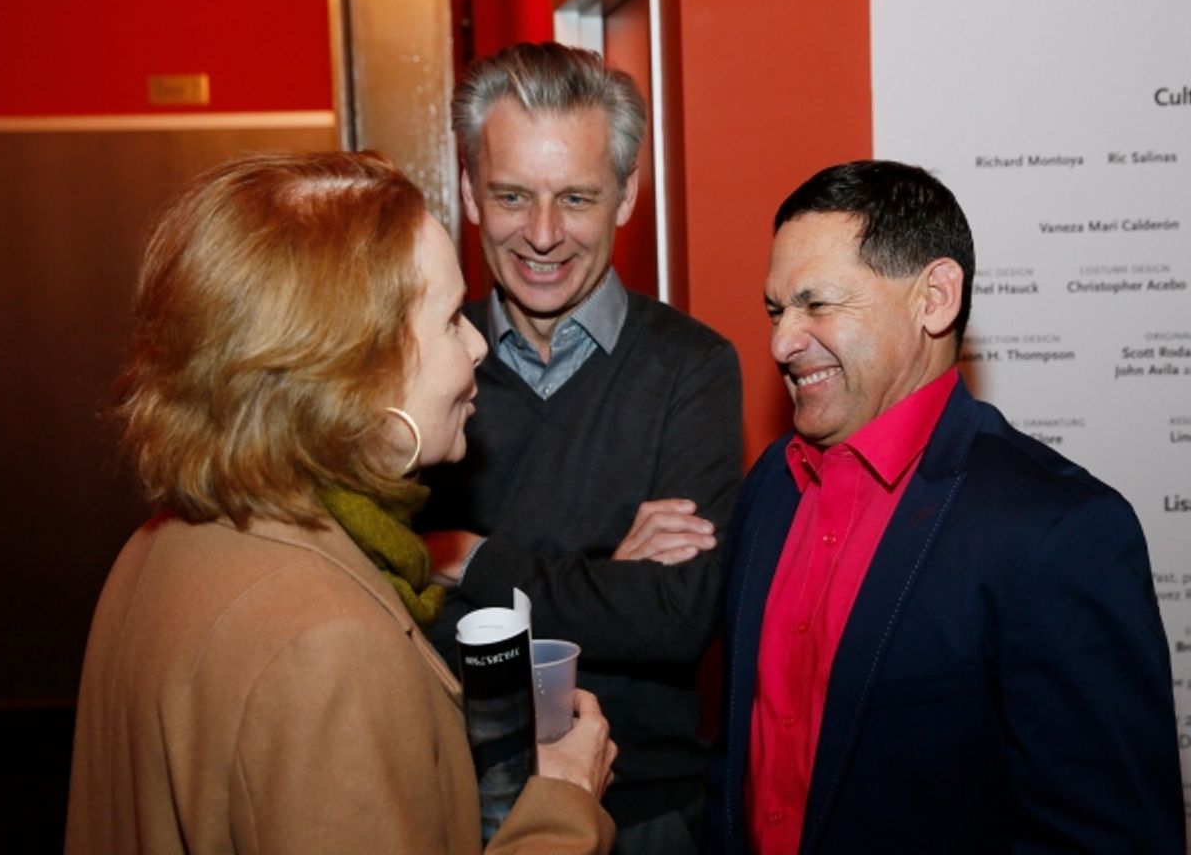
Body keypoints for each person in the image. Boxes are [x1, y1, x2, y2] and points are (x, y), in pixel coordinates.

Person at [65, 150, 617, 854]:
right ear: (357, 370)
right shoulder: (325, 644)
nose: (478, 345)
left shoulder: (162, 544)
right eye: (451, 320)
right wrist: (563, 804)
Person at [703, 159, 1183, 853]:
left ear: (933, 299)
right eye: (777, 311)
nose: (781, 342)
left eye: (818, 303)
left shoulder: (1058, 531)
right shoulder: (772, 487)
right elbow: (738, 763)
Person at [418, 42, 743, 851]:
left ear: (626, 195)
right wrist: (609, 577)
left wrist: (471, 557)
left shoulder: (693, 367)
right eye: (511, 195)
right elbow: (400, 610)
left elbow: (675, 620)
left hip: (647, 811)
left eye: (576, 198)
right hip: (453, 804)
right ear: (468, 191)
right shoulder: (422, 373)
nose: (542, 234)